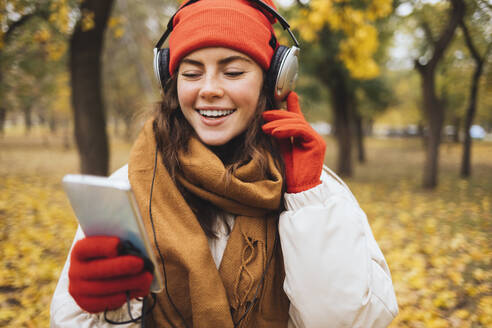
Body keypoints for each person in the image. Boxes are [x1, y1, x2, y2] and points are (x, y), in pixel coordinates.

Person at [50, 0, 398, 327]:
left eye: (232, 72)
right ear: (171, 82)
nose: (210, 89)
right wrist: (100, 310)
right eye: (192, 73)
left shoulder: (318, 192)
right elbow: (68, 320)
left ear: (273, 81)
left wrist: (307, 199)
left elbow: (345, 320)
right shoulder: (126, 189)